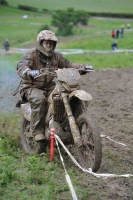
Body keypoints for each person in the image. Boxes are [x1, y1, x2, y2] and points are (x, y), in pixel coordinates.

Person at [16, 30, 93, 142]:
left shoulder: (57, 57)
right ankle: (37, 131)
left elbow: (69, 64)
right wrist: (29, 72)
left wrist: (82, 67)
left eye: (51, 43)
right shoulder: (31, 54)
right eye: (46, 42)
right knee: (39, 99)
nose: (49, 45)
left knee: (65, 94)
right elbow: (22, 66)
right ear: (41, 43)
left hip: (49, 87)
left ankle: (66, 124)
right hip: (31, 87)